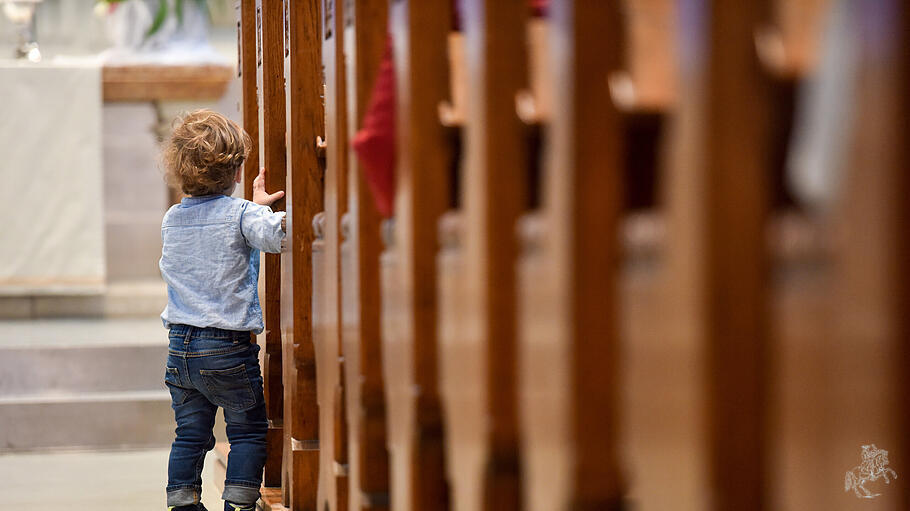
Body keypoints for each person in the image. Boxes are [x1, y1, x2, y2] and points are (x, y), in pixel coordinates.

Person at [158, 109, 285, 511]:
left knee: (190, 434)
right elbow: (278, 237)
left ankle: (182, 501)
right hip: (227, 349)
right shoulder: (243, 214)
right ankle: (240, 504)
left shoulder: (172, 218)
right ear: (235, 172)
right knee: (246, 431)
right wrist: (263, 208)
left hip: (179, 348)